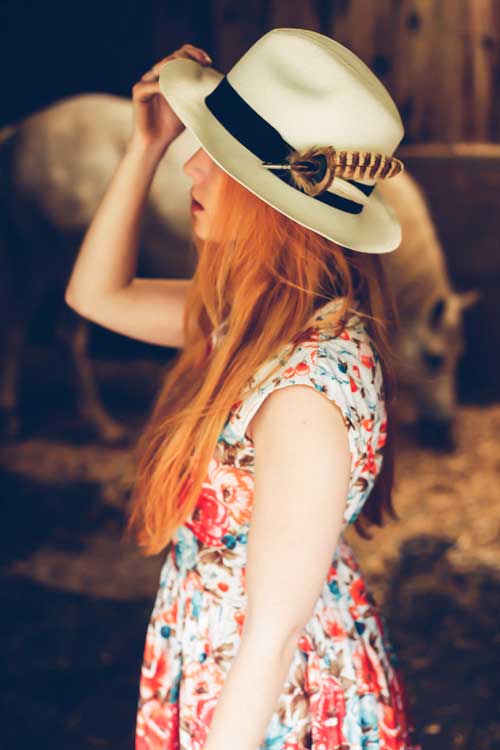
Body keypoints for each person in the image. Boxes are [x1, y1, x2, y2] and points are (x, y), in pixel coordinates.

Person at [65, 28, 422, 750]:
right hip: (220, 662)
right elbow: (96, 296)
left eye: (218, 156)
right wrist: (145, 148)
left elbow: (272, 636)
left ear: (275, 203)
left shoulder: (302, 399)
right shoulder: (250, 323)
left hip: (265, 703)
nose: (193, 166)